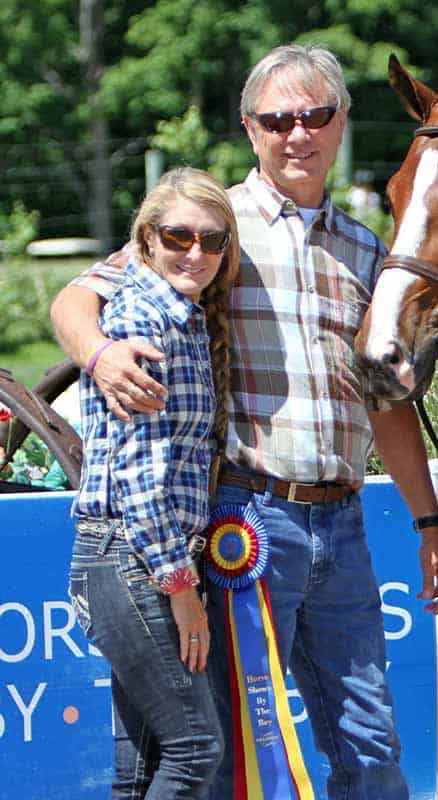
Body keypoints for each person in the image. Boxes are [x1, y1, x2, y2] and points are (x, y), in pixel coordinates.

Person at [51, 44, 438, 800]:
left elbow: (387, 402)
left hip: (343, 521)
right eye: (277, 120)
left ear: (340, 124)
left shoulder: (370, 251)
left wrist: (429, 525)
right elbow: (74, 299)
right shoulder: (206, 229)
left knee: (372, 749)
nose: (297, 134)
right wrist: (100, 355)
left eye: (315, 116)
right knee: (235, 755)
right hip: (244, 523)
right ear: (249, 129)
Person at [67, 167, 240, 798]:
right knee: (196, 750)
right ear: (146, 238)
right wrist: (179, 585)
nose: (196, 253)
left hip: (130, 556)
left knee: (142, 766)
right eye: (178, 236)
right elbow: (140, 478)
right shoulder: (146, 318)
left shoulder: (186, 316)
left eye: (213, 241)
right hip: (134, 559)